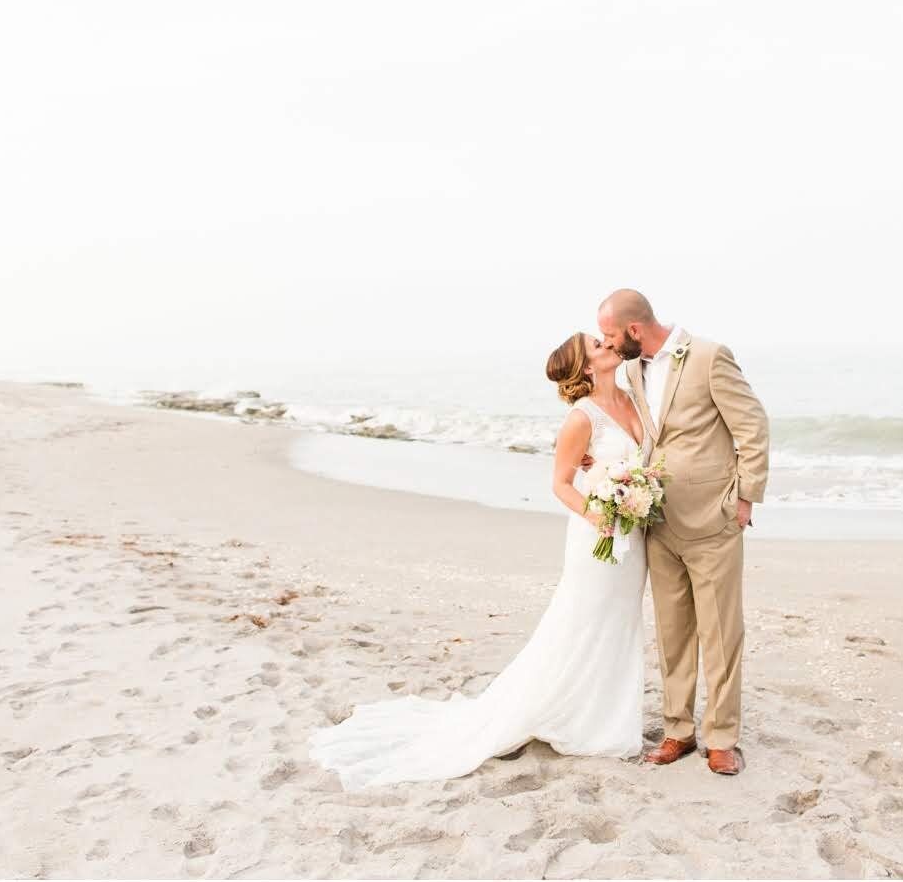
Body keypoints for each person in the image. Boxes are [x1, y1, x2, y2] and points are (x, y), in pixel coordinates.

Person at [306, 332, 650, 789]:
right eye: (597, 345)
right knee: (584, 620)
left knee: (620, 622)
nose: (607, 344)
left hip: (635, 535)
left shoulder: (631, 392)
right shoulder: (580, 419)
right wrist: (600, 515)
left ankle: (604, 711)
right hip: (598, 536)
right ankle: (581, 719)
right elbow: (561, 484)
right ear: (587, 368)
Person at [596, 288, 770, 777]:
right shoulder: (632, 370)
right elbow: (645, 433)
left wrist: (744, 497)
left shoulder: (710, 357)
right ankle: (679, 731)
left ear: (634, 329)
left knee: (721, 632)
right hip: (655, 520)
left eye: (611, 335)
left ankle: (722, 737)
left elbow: (752, 427)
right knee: (672, 633)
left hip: (713, 519)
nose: (607, 345)